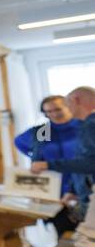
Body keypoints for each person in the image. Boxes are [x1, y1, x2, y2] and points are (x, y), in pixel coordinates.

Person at [17, 94, 86, 233]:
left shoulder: (83, 127)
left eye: (57, 109)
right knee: (59, 232)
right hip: (53, 190)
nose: (53, 114)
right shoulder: (45, 131)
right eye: (48, 111)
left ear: (68, 107)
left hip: (83, 188)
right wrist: (34, 158)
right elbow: (20, 143)